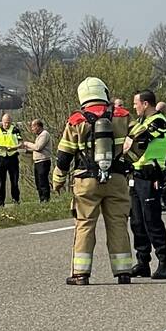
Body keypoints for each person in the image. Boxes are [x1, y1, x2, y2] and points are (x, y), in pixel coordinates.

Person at [52, 77, 134, 285]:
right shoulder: (122, 116)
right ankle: (123, 271)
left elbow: (64, 156)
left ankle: (80, 274)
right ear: (104, 93)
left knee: (84, 225)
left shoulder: (76, 120)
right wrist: (129, 165)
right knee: (118, 224)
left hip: (86, 182)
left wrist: (58, 180)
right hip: (116, 179)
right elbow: (139, 143)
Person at [126, 90, 166, 280]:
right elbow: (129, 139)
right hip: (136, 175)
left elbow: (137, 141)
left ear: (146, 104)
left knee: (152, 220)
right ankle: (142, 262)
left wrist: (131, 139)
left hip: (150, 175)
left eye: (136, 103)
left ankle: (163, 263)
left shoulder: (159, 122)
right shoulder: (142, 122)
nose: (134, 107)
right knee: (136, 221)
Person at [0, 113, 22, 206]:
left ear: (11, 122)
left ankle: (16, 200)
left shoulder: (15, 130)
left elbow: (20, 143)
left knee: (14, 181)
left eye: (8, 122)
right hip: (0, 158)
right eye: (5, 122)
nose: (7, 124)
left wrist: (14, 147)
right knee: (1, 182)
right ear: (2, 122)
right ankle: (0, 203)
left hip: (12, 157)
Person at [21, 119, 52, 202]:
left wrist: (27, 143)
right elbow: (37, 149)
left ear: (38, 126)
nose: (32, 129)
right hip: (38, 162)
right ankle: (41, 199)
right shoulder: (39, 136)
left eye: (33, 126)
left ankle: (46, 199)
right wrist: (27, 150)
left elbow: (38, 147)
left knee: (43, 181)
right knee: (38, 182)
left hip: (43, 161)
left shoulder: (44, 135)